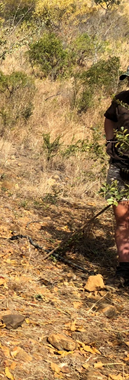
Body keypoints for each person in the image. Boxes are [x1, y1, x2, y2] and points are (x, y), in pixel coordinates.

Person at [104, 67, 129, 284]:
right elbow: (109, 119)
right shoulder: (121, 100)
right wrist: (111, 140)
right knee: (122, 218)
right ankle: (124, 269)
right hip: (119, 165)